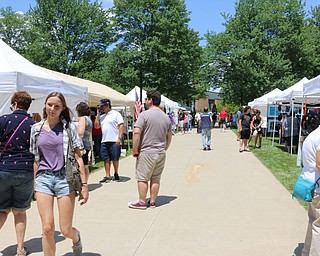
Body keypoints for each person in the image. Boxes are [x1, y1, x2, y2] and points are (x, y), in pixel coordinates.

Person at [30, 92, 89, 256]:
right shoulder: (36, 129)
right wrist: (35, 183)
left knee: (65, 230)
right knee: (47, 228)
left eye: (57, 106)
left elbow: (78, 157)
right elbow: (36, 159)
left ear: (62, 108)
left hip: (65, 178)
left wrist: (84, 185)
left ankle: (76, 237)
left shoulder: (70, 128)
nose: (52, 109)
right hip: (44, 178)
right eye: (50, 105)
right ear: (45, 105)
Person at [0, 91, 35, 256]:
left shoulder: (3, 120)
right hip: (25, 170)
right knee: (20, 211)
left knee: (1, 211)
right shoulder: (33, 124)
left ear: (14, 103)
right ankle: (20, 249)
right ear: (28, 105)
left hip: (3, 169)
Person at [128, 90, 172, 209]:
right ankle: (152, 201)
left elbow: (137, 132)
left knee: (142, 177)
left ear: (150, 100)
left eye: (146, 99)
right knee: (156, 178)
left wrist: (135, 149)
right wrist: (165, 148)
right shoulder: (166, 117)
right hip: (160, 152)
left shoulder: (144, 115)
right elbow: (169, 135)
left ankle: (142, 202)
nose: (145, 102)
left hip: (147, 152)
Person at [300, 126, 320, 256]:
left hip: (311, 184)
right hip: (318, 187)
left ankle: (306, 251)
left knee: (313, 221)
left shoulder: (314, 134)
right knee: (318, 225)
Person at [95, 98, 124, 183]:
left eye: (102, 106)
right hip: (104, 140)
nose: (101, 108)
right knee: (106, 159)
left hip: (114, 140)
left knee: (115, 158)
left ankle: (116, 173)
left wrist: (119, 138)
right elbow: (96, 126)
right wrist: (98, 115)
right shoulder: (102, 117)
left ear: (107, 105)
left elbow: (121, 126)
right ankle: (107, 176)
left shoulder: (116, 114)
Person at [76, 102, 92, 180]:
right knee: (85, 165)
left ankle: (82, 182)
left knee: (80, 164)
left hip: (82, 144)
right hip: (87, 143)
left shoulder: (83, 118)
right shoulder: (89, 119)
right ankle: (85, 182)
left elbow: (80, 132)